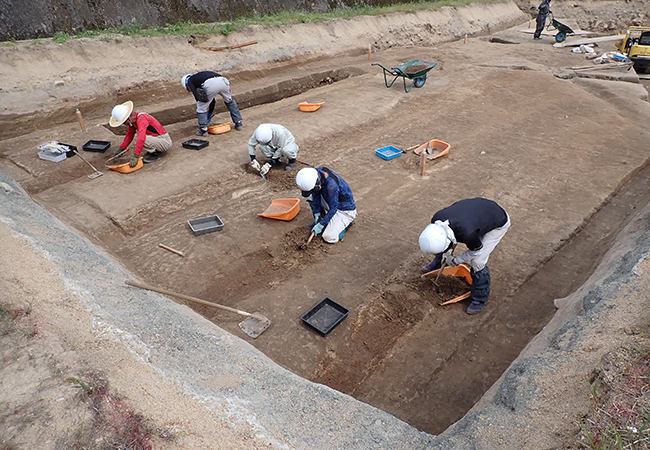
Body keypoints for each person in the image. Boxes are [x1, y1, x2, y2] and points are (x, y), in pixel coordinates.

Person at [419, 197, 510, 315]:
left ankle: (479, 298)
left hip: (497, 221)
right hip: (478, 214)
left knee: (478, 262)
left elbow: (476, 250)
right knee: (444, 246)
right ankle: (437, 264)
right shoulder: (437, 220)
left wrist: (457, 261)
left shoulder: (467, 234)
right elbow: (443, 240)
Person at [295, 167, 356, 244]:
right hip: (331, 201)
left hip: (344, 210)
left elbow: (333, 208)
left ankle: (346, 225)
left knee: (328, 237)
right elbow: (315, 194)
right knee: (309, 196)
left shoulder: (331, 186)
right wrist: (317, 213)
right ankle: (322, 218)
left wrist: (321, 225)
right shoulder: (316, 174)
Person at [109, 101, 172, 167]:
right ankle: (154, 150)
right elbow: (129, 135)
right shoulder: (134, 122)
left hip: (164, 141)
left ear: (128, 119)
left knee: (142, 139)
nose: (125, 125)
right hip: (157, 139)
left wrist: (136, 155)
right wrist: (121, 149)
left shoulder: (142, 119)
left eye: (124, 123)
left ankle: (154, 154)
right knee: (140, 139)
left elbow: (141, 137)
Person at [181, 71, 243, 136]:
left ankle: (203, 130)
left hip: (210, 84)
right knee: (230, 101)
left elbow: (197, 97)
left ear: (186, 85)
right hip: (223, 81)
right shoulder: (199, 77)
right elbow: (212, 101)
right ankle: (238, 123)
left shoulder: (190, 81)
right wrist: (209, 114)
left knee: (201, 107)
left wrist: (202, 102)